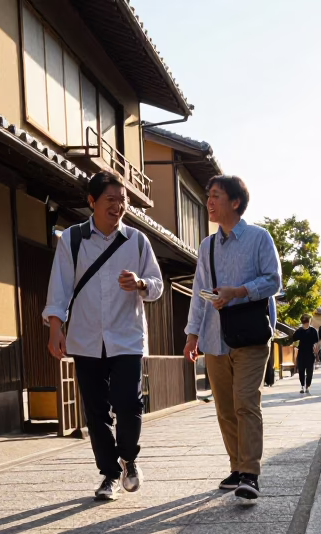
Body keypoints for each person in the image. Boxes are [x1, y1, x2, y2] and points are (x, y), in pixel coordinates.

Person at [43, 172, 163, 501]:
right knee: (96, 411)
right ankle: (109, 474)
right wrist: (56, 327)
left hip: (126, 337)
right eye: (110, 199)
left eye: (122, 200)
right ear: (92, 202)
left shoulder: (137, 241)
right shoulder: (73, 239)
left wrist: (140, 284)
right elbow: (60, 286)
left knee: (128, 403)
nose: (118, 206)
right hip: (85, 338)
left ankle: (130, 458)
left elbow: (157, 285)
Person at [184, 175, 282, 500]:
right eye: (208, 196)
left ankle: (250, 474)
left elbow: (273, 281)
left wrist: (238, 292)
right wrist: (191, 335)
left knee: (245, 402)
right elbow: (199, 293)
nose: (209, 202)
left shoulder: (258, 238)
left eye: (215, 196)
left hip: (252, 335)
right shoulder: (206, 245)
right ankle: (236, 467)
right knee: (225, 408)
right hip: (214, 337)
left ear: (235, 202)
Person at [288, 315, 319, 393]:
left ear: (308, 322)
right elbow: (294, 338)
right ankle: (302, 385)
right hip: (301, 352)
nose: (306, 324)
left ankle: (308, 386)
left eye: (306, 322)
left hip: (310, 353)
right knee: (301, 370)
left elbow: (316, 342)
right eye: (304, 322)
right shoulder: (299, 331)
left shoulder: (313, 331)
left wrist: (316, 350)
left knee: (309, 371)